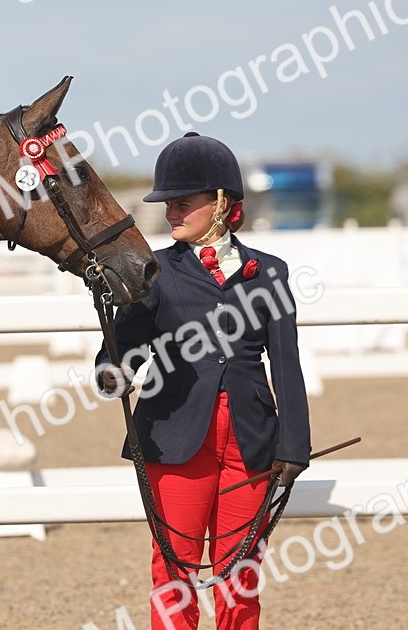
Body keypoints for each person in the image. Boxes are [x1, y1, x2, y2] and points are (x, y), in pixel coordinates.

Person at [96, 132, 311, 630]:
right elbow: (123, 350)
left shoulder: (269, 273)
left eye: (181, 203)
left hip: (252, 438)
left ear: (220, 203)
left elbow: (286, 363)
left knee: (241, 576)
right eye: (167, 203)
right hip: (175, 433)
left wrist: (294, 446)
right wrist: (113, 372)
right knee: (175, 571)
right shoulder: (153, 270)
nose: (170, 212)